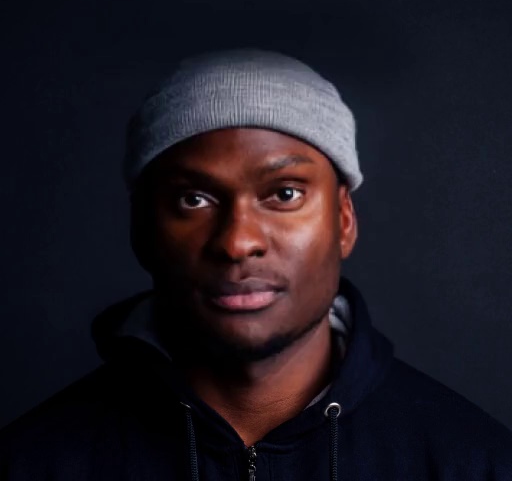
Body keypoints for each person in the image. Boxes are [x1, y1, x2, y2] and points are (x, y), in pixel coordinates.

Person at [1, 48, 511, 481]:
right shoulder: (31, 464)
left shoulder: (474, 463)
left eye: (285, 194)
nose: (238, 242)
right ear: (141, 228)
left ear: (344, 220)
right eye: (193, 200)